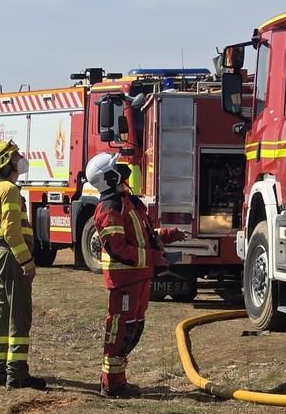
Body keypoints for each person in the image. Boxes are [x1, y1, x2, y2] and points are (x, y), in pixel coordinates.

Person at [86, 152, 188, 398]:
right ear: (109, 177)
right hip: (124, 281)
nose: (123, 169)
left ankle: (119, 380)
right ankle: (112, 384)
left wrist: (169, 234)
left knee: (133, 329)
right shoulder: (110, 207)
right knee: (120, 331)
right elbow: (118, 248)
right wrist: (155, 258)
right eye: (116, 167)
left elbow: (143, 236)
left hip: (139, 277)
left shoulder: (126, 202)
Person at [0, 139, 48, 390]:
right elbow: (11, 231)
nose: (21, 159)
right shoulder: (9, 190)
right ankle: (17, 373)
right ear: (6, 162)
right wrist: (27, 261)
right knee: (19, 314)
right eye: (16, 156)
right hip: (11, 257)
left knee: (1, 315)